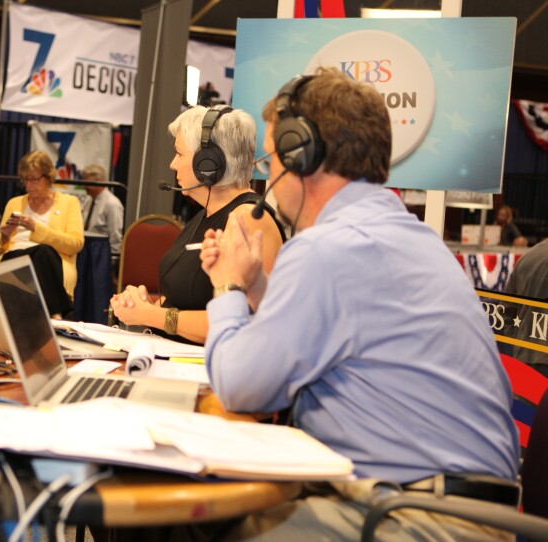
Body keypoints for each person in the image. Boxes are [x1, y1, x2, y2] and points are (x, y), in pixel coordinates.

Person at [197, 68, 519, 540]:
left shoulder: (330, 249)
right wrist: (256, 286)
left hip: (419, 518)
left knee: (206, 522)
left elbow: (239, 387)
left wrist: (225, 288)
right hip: (460, 509)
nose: (268, 175)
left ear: (301, 155)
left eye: (272, 159)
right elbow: (328, 331)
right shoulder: (405, 236)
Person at [110, 105, 285, 344]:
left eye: (179, 153)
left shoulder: (248, 220)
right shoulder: (203, 216)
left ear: (208, 164)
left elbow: (245, 320)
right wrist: (143, 305)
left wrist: (153, 316)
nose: (172, 164)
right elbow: (186, 300)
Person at [0, 150, 83, 318]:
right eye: (25, 179)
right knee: (34, 255)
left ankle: (53, 312)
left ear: (48, 177)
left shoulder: (69, 203)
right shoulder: (14, 203)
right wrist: (5, 237)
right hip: (14, 260)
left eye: (34, 179)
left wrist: (36, 228)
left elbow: (75, 244)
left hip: (48, 262)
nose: (29, 185)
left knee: (43, 253)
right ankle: (57, 313)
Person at [502, 237, 548, 374]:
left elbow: (506, 312)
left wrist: (518, 341)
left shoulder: (526, 258)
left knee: (524, 395)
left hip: (524, 359)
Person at [80, 164, 124, 267]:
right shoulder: (88, 200)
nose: (83, 186)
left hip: (100, 256)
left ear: (98, 182)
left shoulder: (112, 204)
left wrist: (111, 262)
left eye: (86, 183)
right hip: (84, 253)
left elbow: (115, 236)